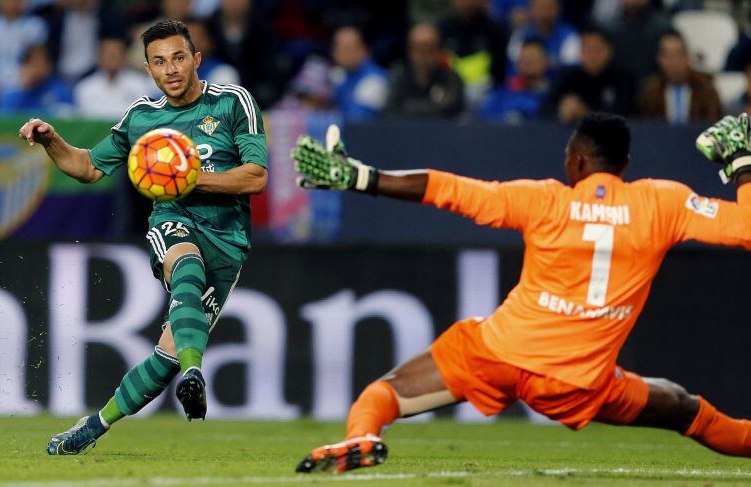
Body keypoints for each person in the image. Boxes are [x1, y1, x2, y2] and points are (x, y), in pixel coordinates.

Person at [290, 113, 751, 473]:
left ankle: (362, 436)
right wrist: (742, 165)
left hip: (500, 356)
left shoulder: (545, 199)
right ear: (624, 165)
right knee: (682, 407)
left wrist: (360, 177)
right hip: (580, 382)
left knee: (385, 391)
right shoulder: (663, 202)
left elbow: (449, 190)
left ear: (577, 161)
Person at [22, 20, 268, 455]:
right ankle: (196, 374)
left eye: (178, 58)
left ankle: (95, 425)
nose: (170, 69)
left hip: (229, 240)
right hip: (172, 222)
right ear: (148, 70)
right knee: (185, 261)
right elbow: (88, 167)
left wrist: (190, 176)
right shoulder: (142, 117)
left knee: (166, 357)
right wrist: (52, 140)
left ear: (196, 60)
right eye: (159, 62)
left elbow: (255, 176)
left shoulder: (233, 102)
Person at [544, 28, 636, 123]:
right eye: (587, 49)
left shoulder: (623, 79)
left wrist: (585, 114)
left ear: (609, 51)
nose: (592, 55)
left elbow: (625, 113)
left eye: (596, 49)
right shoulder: (570, 78)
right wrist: (561, 111)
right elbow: (546, 108)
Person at [639, 31, 722, 124]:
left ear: (687, 57)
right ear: (659, 59)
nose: (673, 62)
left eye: (678, 55)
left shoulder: (706, 88)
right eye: (667, 56)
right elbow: (646, 129)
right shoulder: (651, 92)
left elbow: (714, 127)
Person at [386, 23, 465, 119]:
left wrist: (411, 106)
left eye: (430, 49)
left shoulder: (451, 78)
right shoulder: (400, 77)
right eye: (419, 49)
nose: (424, 55)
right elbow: (391, 112)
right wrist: (433, 106)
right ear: (410, 51)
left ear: (439, 50)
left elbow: (452, 110)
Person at [74, 37, 151, 119]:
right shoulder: (85, 88)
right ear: (99, 58)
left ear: (124, 57)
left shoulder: (140, 84)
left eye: (115, 55)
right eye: (108, 55)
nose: (112, 59)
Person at [479, 38, 549, 122]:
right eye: (524, 59)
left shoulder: (555, 94)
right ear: (517, 63)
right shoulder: (500, 96)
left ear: (546, 61)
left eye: (534, 59)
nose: (528, 64)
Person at [0, 45, 73, 116]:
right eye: (32, 63)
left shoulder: (61, 91)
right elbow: (6, 117)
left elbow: (69, 116)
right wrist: (24, 88)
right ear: (24, 66)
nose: (36, 69)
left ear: (48, 65)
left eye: (40, 63)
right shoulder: (10, 94)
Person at [330, 26, 389, 121]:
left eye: (349, 49)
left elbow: (357, 120)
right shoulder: (338, 74)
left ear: (364, 50)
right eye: (341, 49)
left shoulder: (374, 80)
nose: (346, 54)